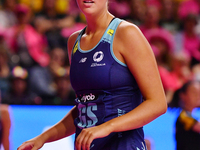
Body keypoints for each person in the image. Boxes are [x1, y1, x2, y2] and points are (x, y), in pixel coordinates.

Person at [17, 0, 167, 150]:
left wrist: (108, 127)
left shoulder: (127, 33)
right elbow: (84, 107)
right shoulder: (73, 42)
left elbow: (158, 103)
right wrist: (43, 138)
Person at [168, 80, 200, 150]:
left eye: (199, 93)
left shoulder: (193, 115)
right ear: (183, 95)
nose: (198, 96)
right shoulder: (184, 116)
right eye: (194, 92)